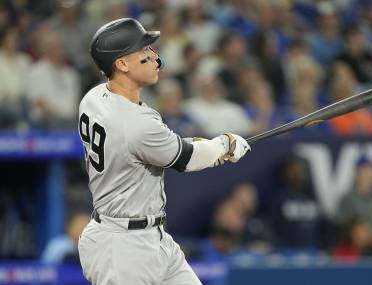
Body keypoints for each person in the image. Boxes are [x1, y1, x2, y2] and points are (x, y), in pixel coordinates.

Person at [77, 18, 251, 285]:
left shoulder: (94, 98)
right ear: (121, 64)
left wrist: (212, 145)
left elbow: (167, 144)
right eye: (143, 51)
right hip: (123, 249)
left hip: (149, 236)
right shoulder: (135, 124)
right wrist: (225, 145)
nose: (153, 56)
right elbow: (186, 158)